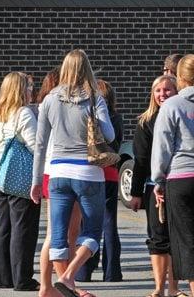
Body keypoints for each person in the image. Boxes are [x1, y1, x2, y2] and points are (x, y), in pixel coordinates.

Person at [31, 49, 114, 297]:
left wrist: (36, 181)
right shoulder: (95, 98)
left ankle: (61, 283)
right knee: (91, 232)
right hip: (88, 173)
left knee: (57, 235)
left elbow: (40, 144)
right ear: (87, 68)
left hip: (57, 171)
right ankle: (68, 277)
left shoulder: (49, 100)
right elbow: (109, 135)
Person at [0, 72, 40, 291]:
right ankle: (22, 279)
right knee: (23, 226)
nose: (31, 91)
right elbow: (36, 147)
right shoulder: (23, 114)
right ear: (20, 90)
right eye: (28, 87)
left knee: (2, 223)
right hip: (18, 171)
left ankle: (3, 277)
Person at [131, 74, 182, 297]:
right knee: (158, 238)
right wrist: (136, 192)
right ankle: (159, 288)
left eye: (168, 90)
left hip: (178, 182)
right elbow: (140, 160)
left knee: (178, 238)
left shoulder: (181, 114)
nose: (162, 94)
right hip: (154, 185)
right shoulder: (145, 122)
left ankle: (174, 289)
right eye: (158, 90)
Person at [152, 54, 194, 296]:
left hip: (181, 177)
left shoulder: (172, 105)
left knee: (186, 240)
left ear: (180, 77)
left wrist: (158, 179)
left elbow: (162, 147)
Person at [76, 79, 123, 282]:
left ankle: (83, 271)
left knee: (85, 222)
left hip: (90, 172)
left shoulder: (86, 115)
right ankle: (112, 272)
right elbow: (117, 143)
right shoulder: (116, 118)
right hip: (110, 172)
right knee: (110, 223)